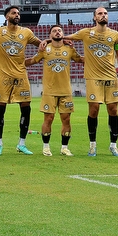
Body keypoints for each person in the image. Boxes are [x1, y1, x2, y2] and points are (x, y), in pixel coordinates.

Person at [65, 7, 118, 157]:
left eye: (105, 13)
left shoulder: (115, 35)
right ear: (94, 17)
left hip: (111, 77)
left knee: (113, 110)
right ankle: (92, 145)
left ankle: (113, 145)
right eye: (100, 13)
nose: (103, 15)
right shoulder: (86, 33)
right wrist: (50, 40)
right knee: (94, 109)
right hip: (93, 78)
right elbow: (68, 37)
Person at [0, 6, 42, 156]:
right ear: (6, 16)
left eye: (18, 13)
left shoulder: (26, 32)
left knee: (26, 108)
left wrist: (46, 43)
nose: (17, 15)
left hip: (21, 75)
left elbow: (40, 44)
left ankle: (22, 144)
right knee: (0, 108)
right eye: (14, 13)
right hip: (4, 76)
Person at [26, 26, 83, 157]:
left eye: (60, 30)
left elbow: (80, 59)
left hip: (66, 91)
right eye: (54, 31)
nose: (57, 32)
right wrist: (16, 64)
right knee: (48, 119)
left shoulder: (69, 49)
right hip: (49, 91)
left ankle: (64, 148)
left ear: (63, 34)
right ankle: (46, 147)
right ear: (50, 35)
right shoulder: (45, 49)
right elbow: (32, 60)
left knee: (66, 119)